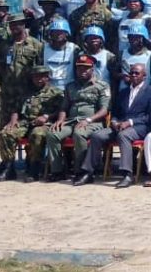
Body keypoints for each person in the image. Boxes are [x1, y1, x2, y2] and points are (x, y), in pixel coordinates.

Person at [76, 63, 151, 188]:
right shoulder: (123, 92)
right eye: (131, 73)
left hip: (141, 127)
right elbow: (115, 112)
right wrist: (114, 122)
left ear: (144, 76)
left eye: (137, 73)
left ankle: (127, 174)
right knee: (96, 136)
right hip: (119, 125)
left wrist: (130, 122)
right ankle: (88, 172)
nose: (133, 75)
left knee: (123, 135)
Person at [45, 54, 111, 183]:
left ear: (92, 69)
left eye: (86, 68)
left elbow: (104, 110)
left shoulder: (102, 86)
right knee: (52, 134)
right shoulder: (70, 86)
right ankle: (57, 171)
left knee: (79, 133)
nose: (82, 71)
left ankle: (82, 172)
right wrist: (60, 120)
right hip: (71, 121)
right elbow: (64, 107)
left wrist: (88, 120)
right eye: (79, 68)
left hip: (93, 122)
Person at [0, 66, 63, 183]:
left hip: (44, 124)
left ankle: (34, 169)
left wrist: (47, 117)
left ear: (47, 77)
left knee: (37, 134)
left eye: (42, 77)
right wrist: (13, 120)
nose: (38, 79)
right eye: (36, 77)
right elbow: (16, 109)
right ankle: (9, 169)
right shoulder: (26, 92)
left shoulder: (56, 93)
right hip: (25, 122)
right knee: (6, 133)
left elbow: (62, 110)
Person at [0, 13, 43, 128]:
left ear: (24, 24)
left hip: (28, 91)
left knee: (29, 123)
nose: (14, 27)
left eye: (17, 24)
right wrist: (3, 83)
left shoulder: (36, 45)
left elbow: (40, 67)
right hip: (8, 92)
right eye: (11, 24)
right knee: (5, 125)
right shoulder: (4, 45)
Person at [41, 19, 78, 90]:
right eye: (55, 32)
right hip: (48, 89)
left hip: (69, 88)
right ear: (50, 34)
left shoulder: (74, 49)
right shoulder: (43, 48)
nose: (58, 34)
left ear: (67, 33)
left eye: (61, 32)